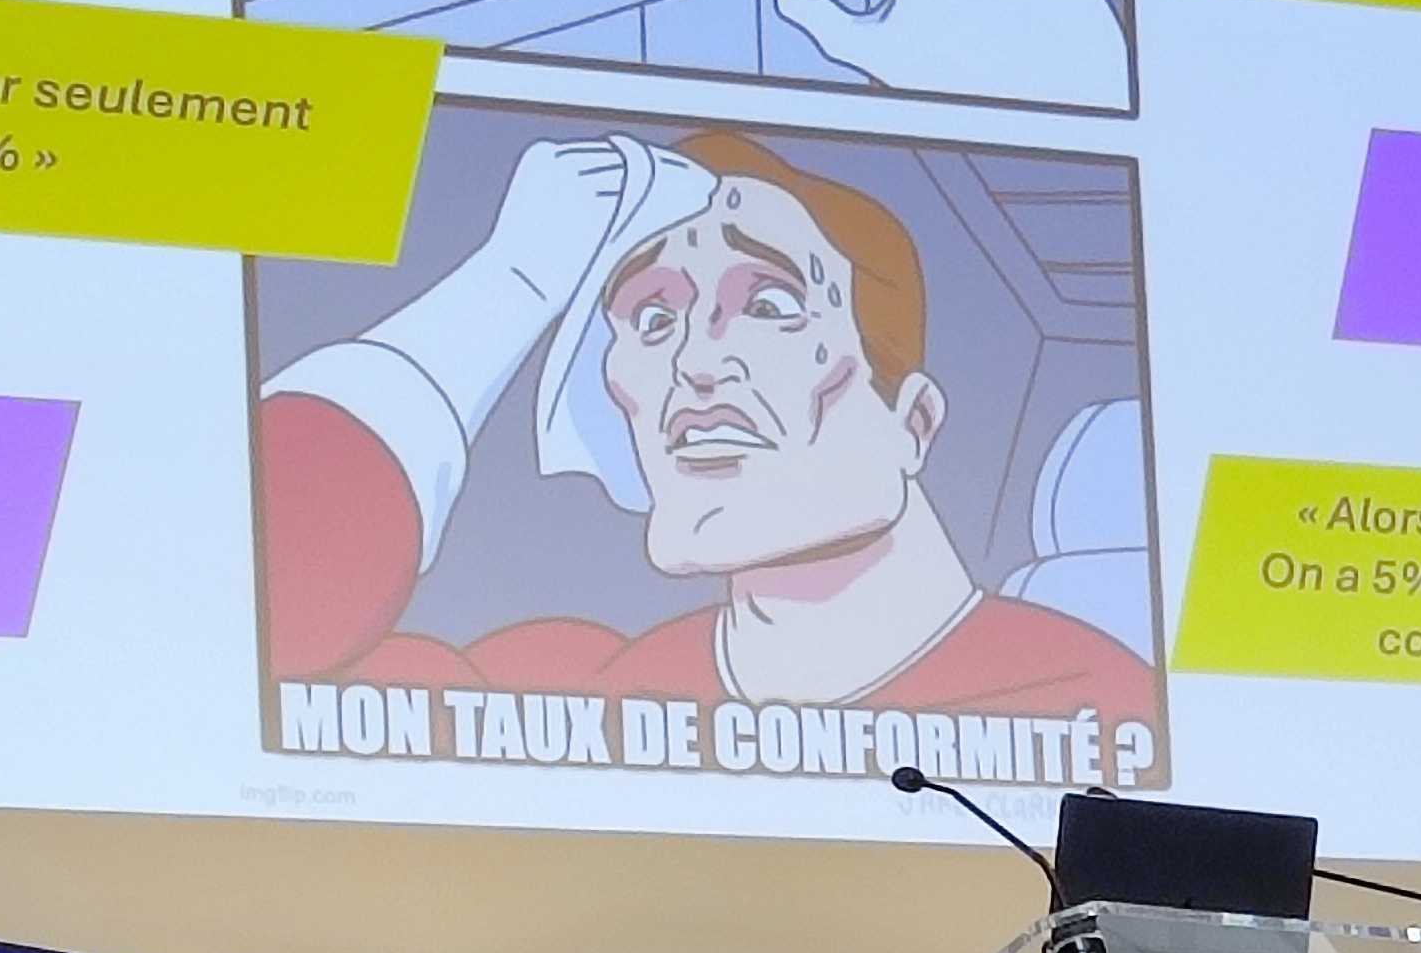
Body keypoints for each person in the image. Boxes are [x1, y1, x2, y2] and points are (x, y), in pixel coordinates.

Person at [260, 123, 1157, 729]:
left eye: (768, 302)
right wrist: (514, 283)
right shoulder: (586, 694)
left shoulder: (1087, 707)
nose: (694, 362)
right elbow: (266, 622)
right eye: (652, 318)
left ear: (912, 422)